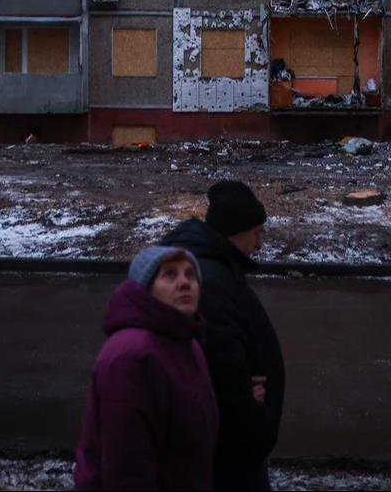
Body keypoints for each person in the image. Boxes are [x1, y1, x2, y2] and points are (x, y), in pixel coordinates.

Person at [162, 181, 284, 492]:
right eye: (257, 232)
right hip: (229, 447)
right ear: (237, 232)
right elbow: (219, 362)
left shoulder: (216, 268)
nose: (260, 243)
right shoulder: (211, 282)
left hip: (228, 440)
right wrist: (248, 407)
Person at [74, 246, 219, 491]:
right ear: (146, 289)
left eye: (190, 275)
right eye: (170, 275)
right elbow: (126, 465)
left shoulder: (185, 342)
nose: (184, 283)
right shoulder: (133, 355)